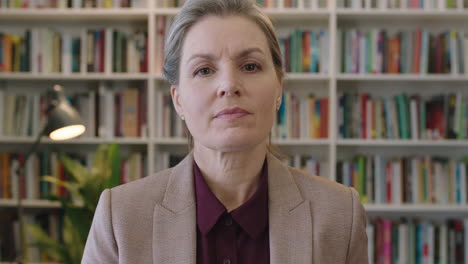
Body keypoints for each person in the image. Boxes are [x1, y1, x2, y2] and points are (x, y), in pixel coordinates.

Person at [81, 0, 369, 263]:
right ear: (177, 99)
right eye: (204, 70)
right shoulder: (119, 217)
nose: (229, 84)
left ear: (279, 89)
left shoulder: (340, 214)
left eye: (250, 66)